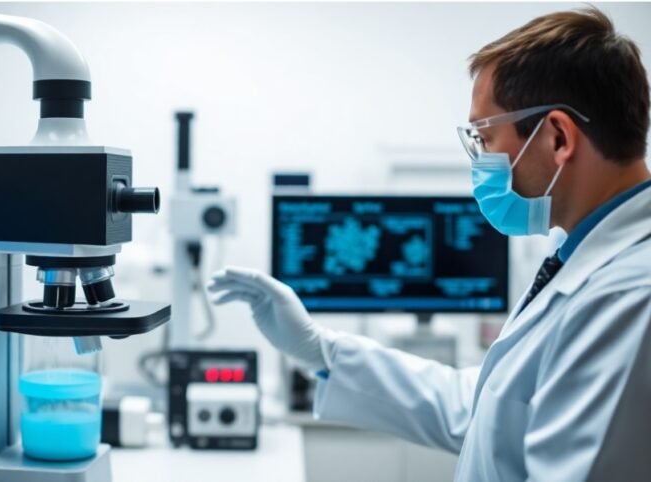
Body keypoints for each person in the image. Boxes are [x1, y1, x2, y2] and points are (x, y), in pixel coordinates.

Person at [209, 7, 651, 481]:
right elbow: (486, 409)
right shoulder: (577, 256)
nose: (479, 160)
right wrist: (321, 352)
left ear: (559, 137)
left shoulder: (627, 298)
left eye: (483, 137)